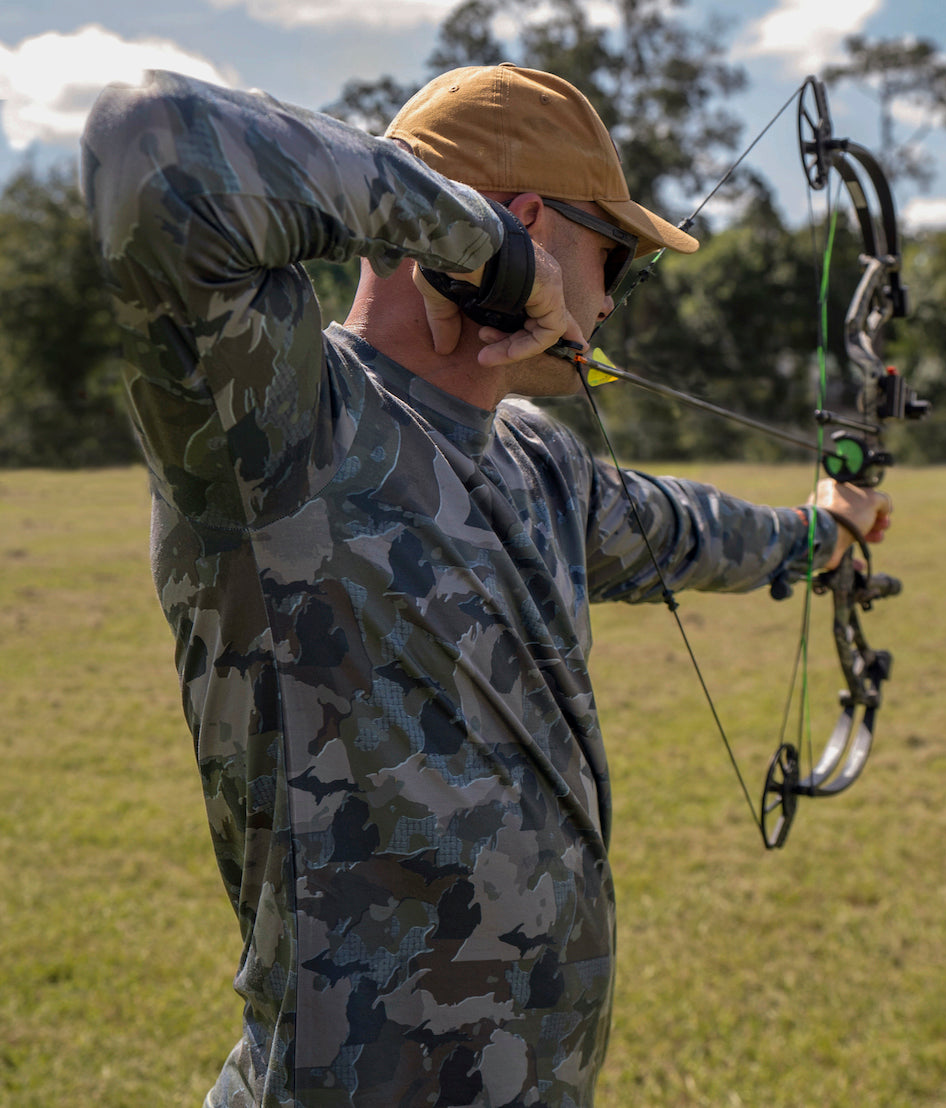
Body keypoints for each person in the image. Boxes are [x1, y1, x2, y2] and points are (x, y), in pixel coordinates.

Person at [82, 63, 891, 1107]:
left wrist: (820, 535)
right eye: (614, 254)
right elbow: (150, 140)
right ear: (519, 224)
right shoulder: (283, 423)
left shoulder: (533, 458)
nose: (610, 295)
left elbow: (679, 529)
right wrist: (475, 245)